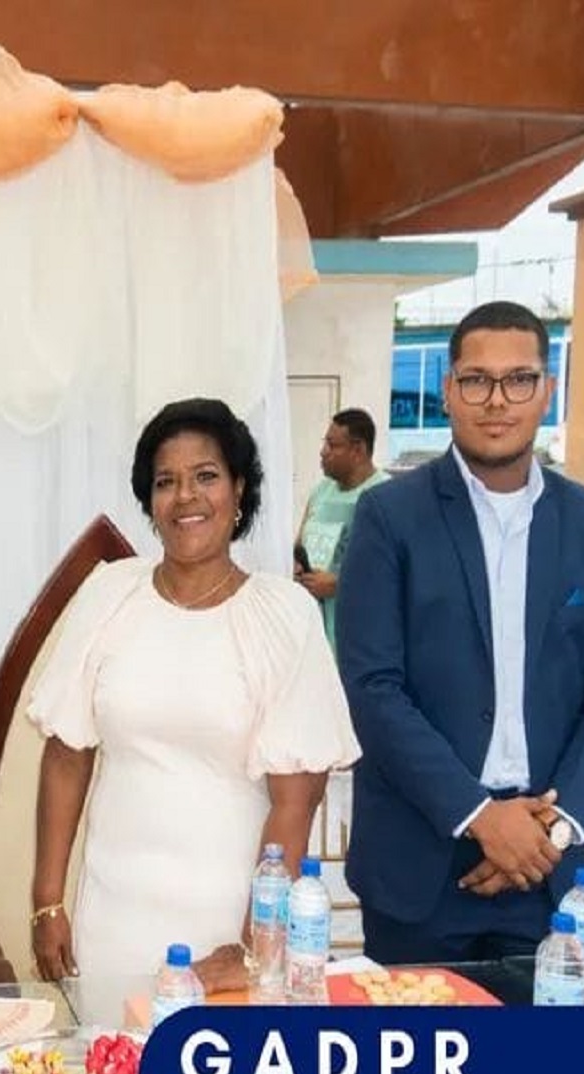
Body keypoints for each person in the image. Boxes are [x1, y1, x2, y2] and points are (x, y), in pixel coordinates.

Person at [337, 301, 584, 964]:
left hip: (546, 866)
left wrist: (553, 829)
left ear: (548, 390)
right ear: (448, 391)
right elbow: (371, 686)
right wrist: (480, 817)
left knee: (547, 1037)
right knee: (415, 1035)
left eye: (519, 379)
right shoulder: (389, 516)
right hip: (419, 861)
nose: (498, 400)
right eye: (476, 380)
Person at [26, 397, 359, 986]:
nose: (185, 496)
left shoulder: (283, 615)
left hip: (224, 924)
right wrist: (47, 900)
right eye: (166, 482)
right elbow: (66, 754)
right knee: (111, 1046)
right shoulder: (109, 595)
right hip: (111, 916)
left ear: (238, 490)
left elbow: (297, 798)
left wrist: (255, 947)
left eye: (206, 476)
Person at [295, 407, 389, 654]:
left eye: (332, 445)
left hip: (360, 634)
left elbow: (396, 573)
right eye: (324, 442)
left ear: (358, 450)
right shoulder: (320, 492)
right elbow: (299, 543)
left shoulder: (386, 496)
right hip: (314, 627)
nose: (322, 451)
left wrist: (341, 585)